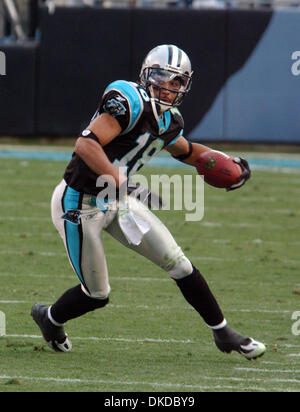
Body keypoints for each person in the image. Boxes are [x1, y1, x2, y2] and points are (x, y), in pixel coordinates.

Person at [31, 44, 266, 359]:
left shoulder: (171, 121)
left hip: (117, 201)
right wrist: (120, 181)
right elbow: (85, 145)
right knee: (98, 294)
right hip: (78, 203)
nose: (167, 87)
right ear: (146, 74)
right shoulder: (127, 101)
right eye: (160, 77)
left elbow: (187, 151)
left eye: (176, 82)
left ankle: (222, 331)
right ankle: (50, 318)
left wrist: (226, 162)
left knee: (178, 263)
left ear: (185, 86)